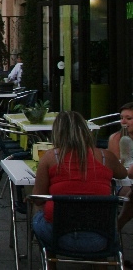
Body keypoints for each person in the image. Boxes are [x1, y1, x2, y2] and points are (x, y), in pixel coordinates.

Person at [31, 111, 127, 251]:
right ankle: (101, 260)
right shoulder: (105, 157)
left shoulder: (50, 157)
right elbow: (123, 174)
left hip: (57, 236)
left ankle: (48, 257)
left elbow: (38, 198)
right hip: (100, 238)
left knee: (38, 208)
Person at [106, 102, 133, 229]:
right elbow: (117, 168)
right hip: (122, 182)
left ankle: (118, 225)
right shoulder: (116, 138)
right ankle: (118, 225)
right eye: (122, 118)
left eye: (129, 118)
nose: (123, 122)